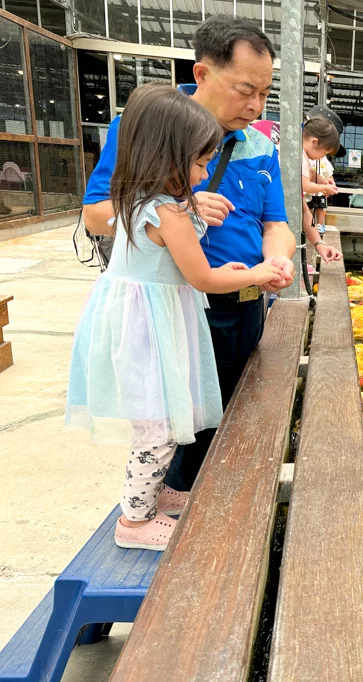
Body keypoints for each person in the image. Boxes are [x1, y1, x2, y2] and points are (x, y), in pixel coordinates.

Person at [81, 16, 333, 492]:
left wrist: (275, 262)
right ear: (202, 74)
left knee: (231, 425)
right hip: (180, 309)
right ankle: (167, 522)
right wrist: (181, 205)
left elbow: (275, 222)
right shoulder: (144, 127)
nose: (255, 105)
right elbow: (97, 215)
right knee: (178, 432)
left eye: (264, 92)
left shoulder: (260, 144)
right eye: (244, 90)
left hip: (245, 306)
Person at [66, 85, 283, 550]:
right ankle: (136, 522)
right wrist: (260, 271)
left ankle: (154, 494)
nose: (206, 174)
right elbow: (201, 278)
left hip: (137, 323)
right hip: (152, 330)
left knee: (154, 420)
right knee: (160, 427)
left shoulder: (136, 201)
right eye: (201, 163)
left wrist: (222, 267)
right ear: (169, 160)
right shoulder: (169, 213)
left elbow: (177, 267)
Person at [302, 118, 340, 243]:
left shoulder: (303, 156)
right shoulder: (300, 156)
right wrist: (324, 188)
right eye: (324, 152)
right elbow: (306, 185)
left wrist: (324, 181)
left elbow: (311, 174)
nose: (323, 156)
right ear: (314, 142)